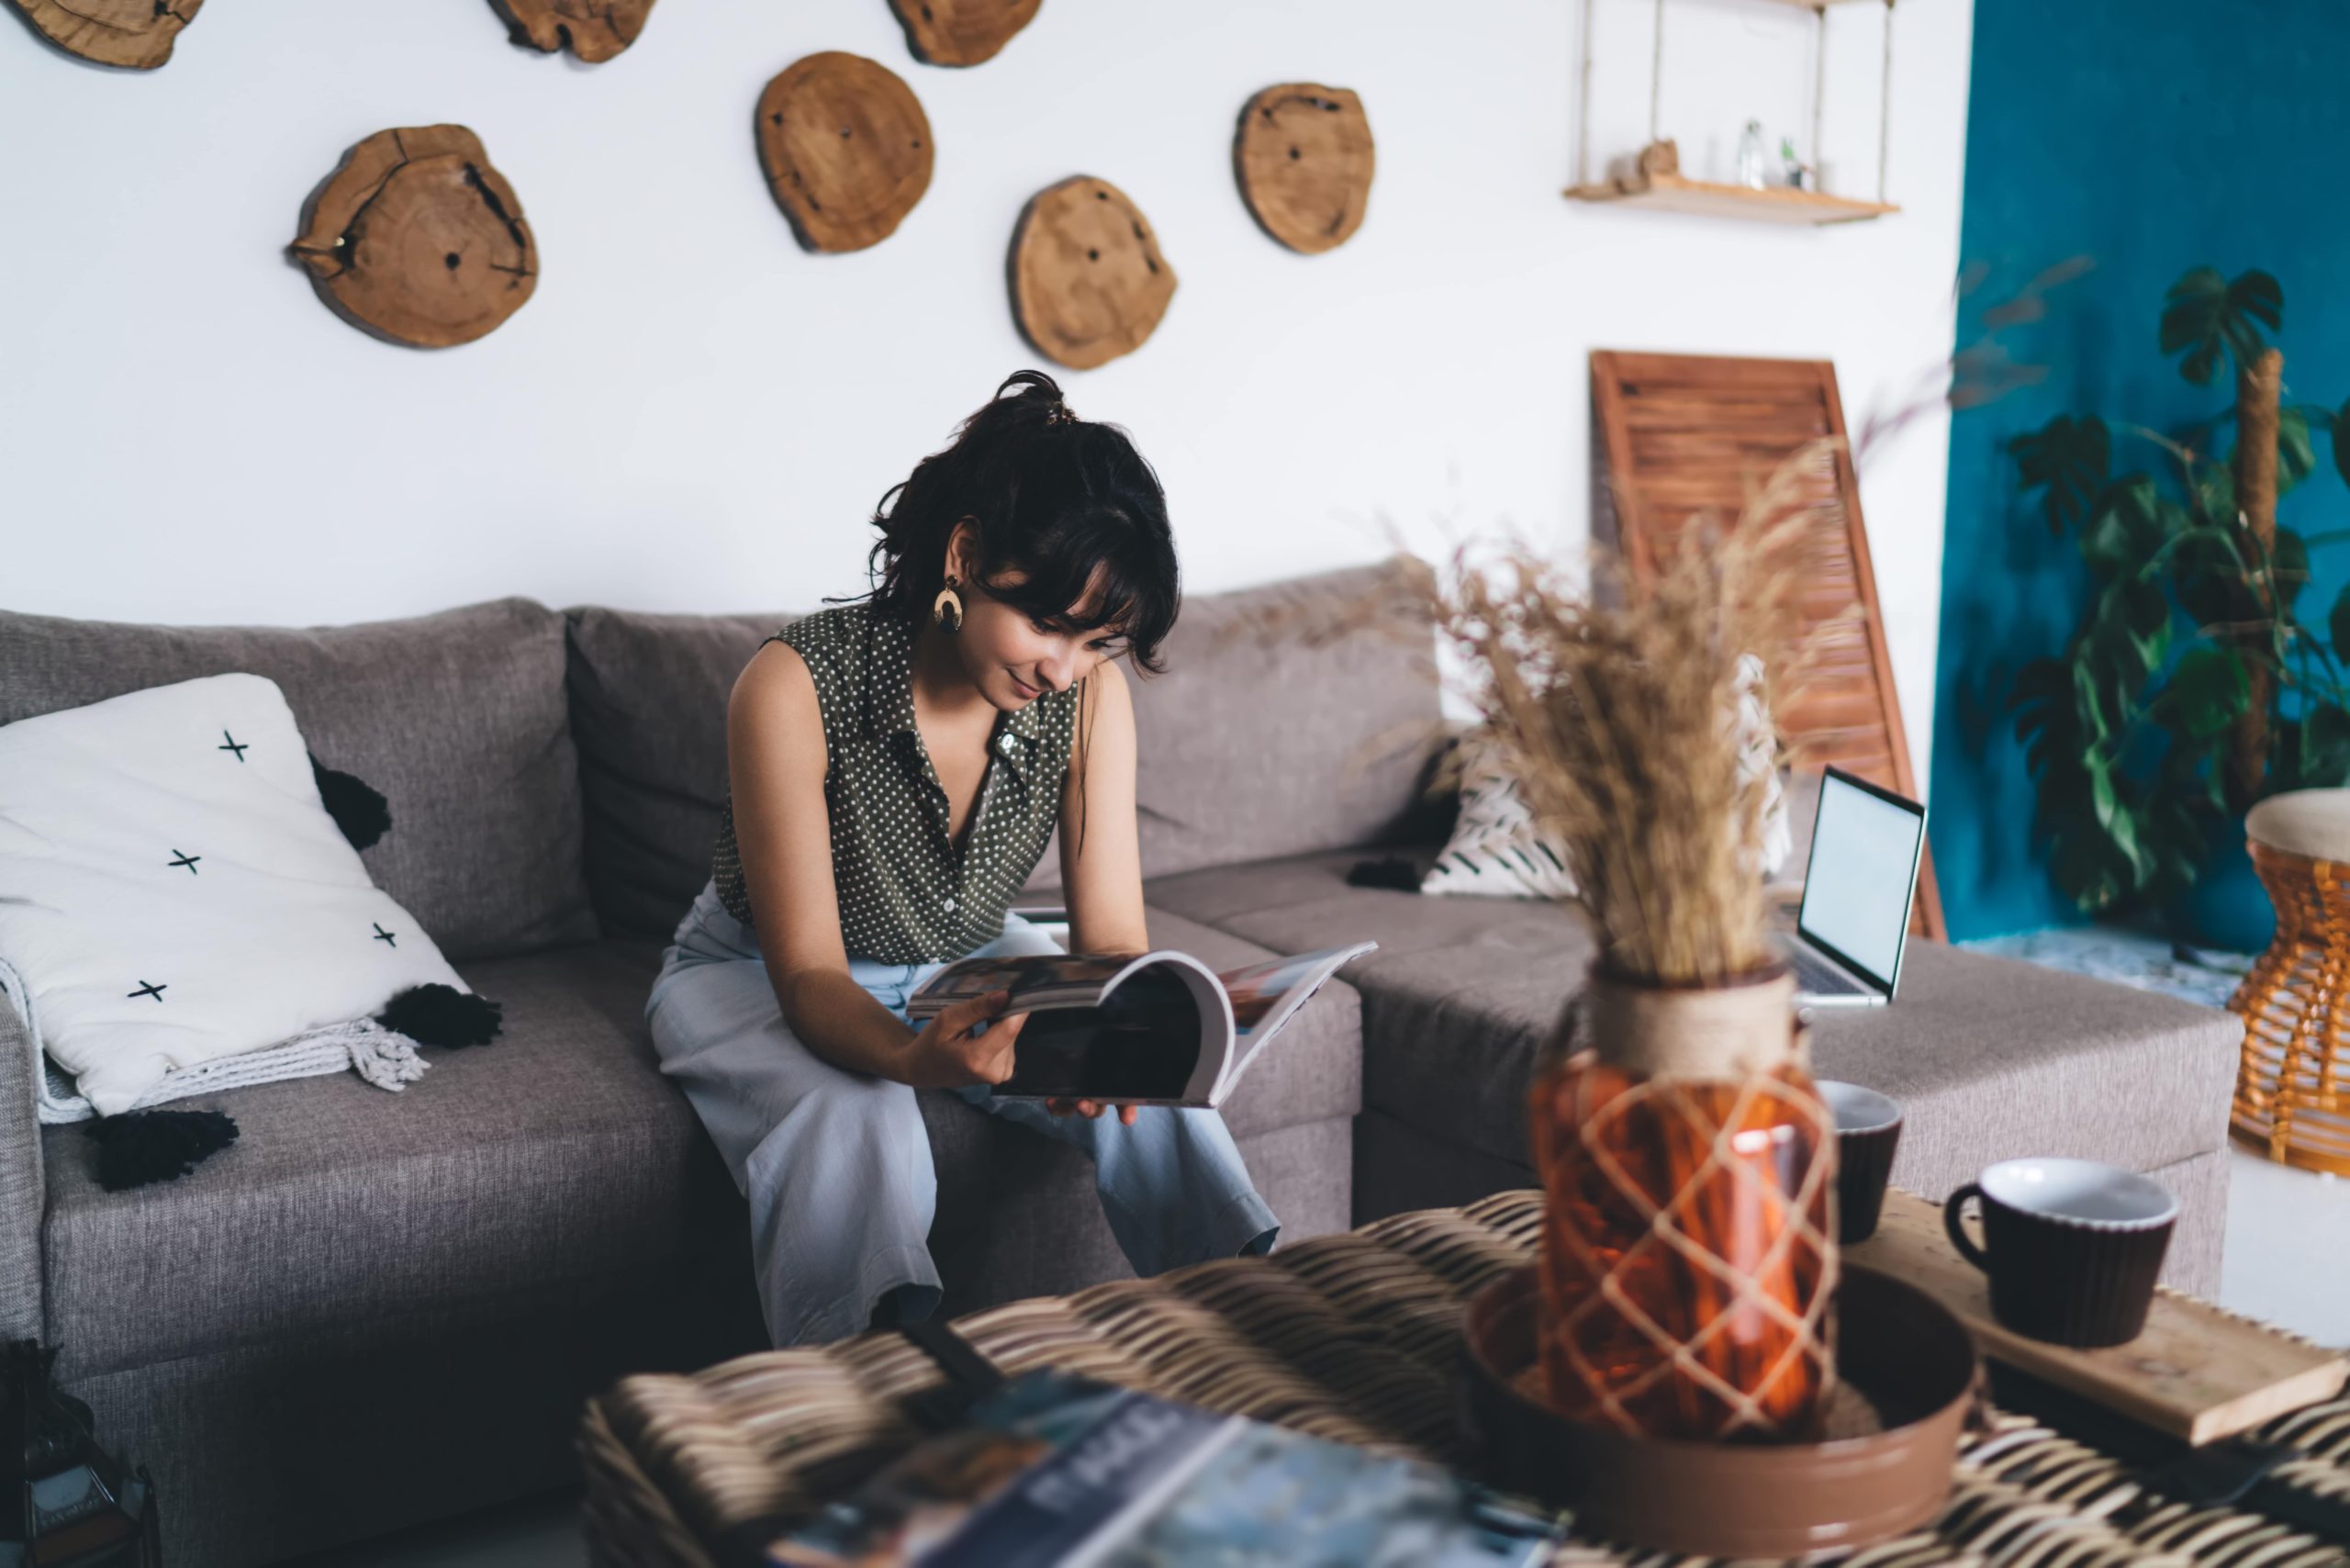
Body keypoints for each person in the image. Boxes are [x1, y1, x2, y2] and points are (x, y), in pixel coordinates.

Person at [645, 370, 1280, 1347]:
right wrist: (908, 1058)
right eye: (1047, 624)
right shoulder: (791, 685)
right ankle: (872, 1381)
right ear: (966, 553)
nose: (1063, 669)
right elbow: (810, 973)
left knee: (1154, 1083)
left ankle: (1250, 1325)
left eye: (1097, 641)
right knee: (857, 1114)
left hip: (963, 954)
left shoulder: (1089, 698)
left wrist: (1123, 1029)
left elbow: (1111, 940)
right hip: (755, 971)